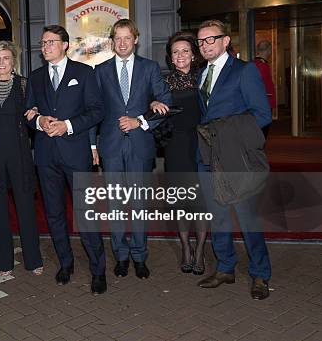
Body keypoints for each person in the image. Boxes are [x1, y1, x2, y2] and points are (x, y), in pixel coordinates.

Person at [25, 25, 106, 295]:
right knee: (54, 213)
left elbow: (96, 111)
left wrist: (67, 125)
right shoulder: (35, 77)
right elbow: (27, 112)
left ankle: (98, 270)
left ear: (65, 45)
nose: (45, 46)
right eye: (43, 42)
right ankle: (65, 263)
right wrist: (39, 120)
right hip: (46, 156)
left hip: (75, 154)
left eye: (50, 42)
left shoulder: (84, 73)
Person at [195, 20, 272, 300]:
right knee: (217, 217)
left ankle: (260, 275)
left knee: (247, 218)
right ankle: (225, 267)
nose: (205, 45)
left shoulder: (245, 71)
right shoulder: (201, 74)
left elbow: (262, 115)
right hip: (206, 156)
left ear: (226, 41)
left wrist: (227, 132)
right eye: (201, 42)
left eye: (210, 40)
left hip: (236, 157)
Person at [91, 19, 171, 280]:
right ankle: (121, 256)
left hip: (140, 144)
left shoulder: (150, 68)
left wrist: (141, 121)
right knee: (115, 204)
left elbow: (165, 102)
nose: (122, 42)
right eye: (117, 38)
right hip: (111, 146)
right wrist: (93, 144)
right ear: (112, 41)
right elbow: (93, 111)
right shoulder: (100, 71)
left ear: (136, 39)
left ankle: (139, 256)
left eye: (127, 37)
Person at [0, 41, 43, 277]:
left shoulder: (25, 85)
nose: (2, 62)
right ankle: (4, 262)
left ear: (13, 61)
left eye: (6, 58)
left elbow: (32, 116)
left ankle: (33, 260)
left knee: (26, 209)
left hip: (20, 155)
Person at [150, 32, 207, 275]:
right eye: (175, 52)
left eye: (185, 51)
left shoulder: (204, 78)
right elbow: (153, 108)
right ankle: (185, 247)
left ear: (193, 55)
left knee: (201, 201)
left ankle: (201, 249)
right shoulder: (163, 83)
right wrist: (153, 104)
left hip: (201, 144)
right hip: (175, 147)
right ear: (170, 58)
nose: (180, 55)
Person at [252, 40, 277, 137]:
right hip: (264, 102)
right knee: (262, 132)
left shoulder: (256, 63)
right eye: (270, 49)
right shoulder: (262, 65)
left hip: (261, 102)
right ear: (267, 50)